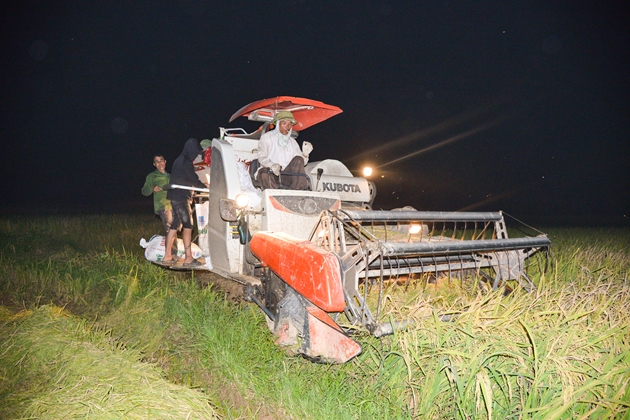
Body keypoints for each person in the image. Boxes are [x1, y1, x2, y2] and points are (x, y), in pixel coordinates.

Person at [161, 138, 209, 267]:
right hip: (181, 198)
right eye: (195, 152)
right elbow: (193, 178)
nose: (196, 155)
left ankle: (167, 255)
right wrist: (206, 188)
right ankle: (188, 258)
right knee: (188, 226)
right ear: (190, 150)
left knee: (174, 226)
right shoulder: (185, 162)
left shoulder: (178, 160)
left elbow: (184, 179)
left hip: (175, 197)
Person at [256, 111, 313, 190]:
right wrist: (271, 165)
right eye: (284, 123)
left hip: (286, 176)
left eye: (290, 124)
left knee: (298, 159)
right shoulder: (267, 138)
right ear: (278, 124)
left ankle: (299, 192)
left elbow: (300, 164)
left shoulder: (292, 142)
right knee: (264, 172)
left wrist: (305, 155)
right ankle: (275, 197)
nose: (288, 127)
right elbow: (261, 157)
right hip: (271, 173)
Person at [141, 155, 172, 237]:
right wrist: (152, 188)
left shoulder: (171, 176)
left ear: (165, 162)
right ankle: (171, 250)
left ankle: (163, 240)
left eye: (161, 160)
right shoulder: (152, 176)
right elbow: (144, 191)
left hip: (174, 205)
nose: (159, 163)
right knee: (170, 228)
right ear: (154, 164)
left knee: (177, 227)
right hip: (162, 205)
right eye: (157, 161)